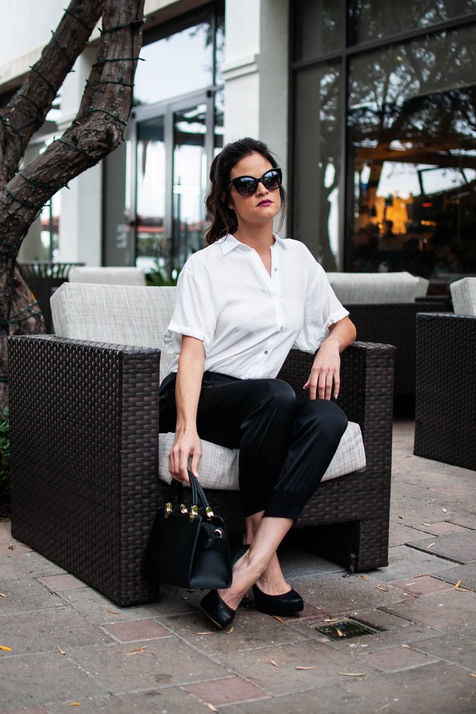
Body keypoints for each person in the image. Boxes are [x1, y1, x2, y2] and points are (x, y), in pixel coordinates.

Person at [159, 137, 356, 629]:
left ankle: (251, 562)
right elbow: (192, 353)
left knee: (328, 416)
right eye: (246, 184)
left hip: (264, 405)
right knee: (277, 394)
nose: (263, 190)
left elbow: (343, 323)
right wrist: (186, 429)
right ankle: (266, 570)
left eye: (270, 179)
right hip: (204, 394)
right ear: (228, 199)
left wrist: (330, 346)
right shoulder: (207, 265)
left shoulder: (298, 259)